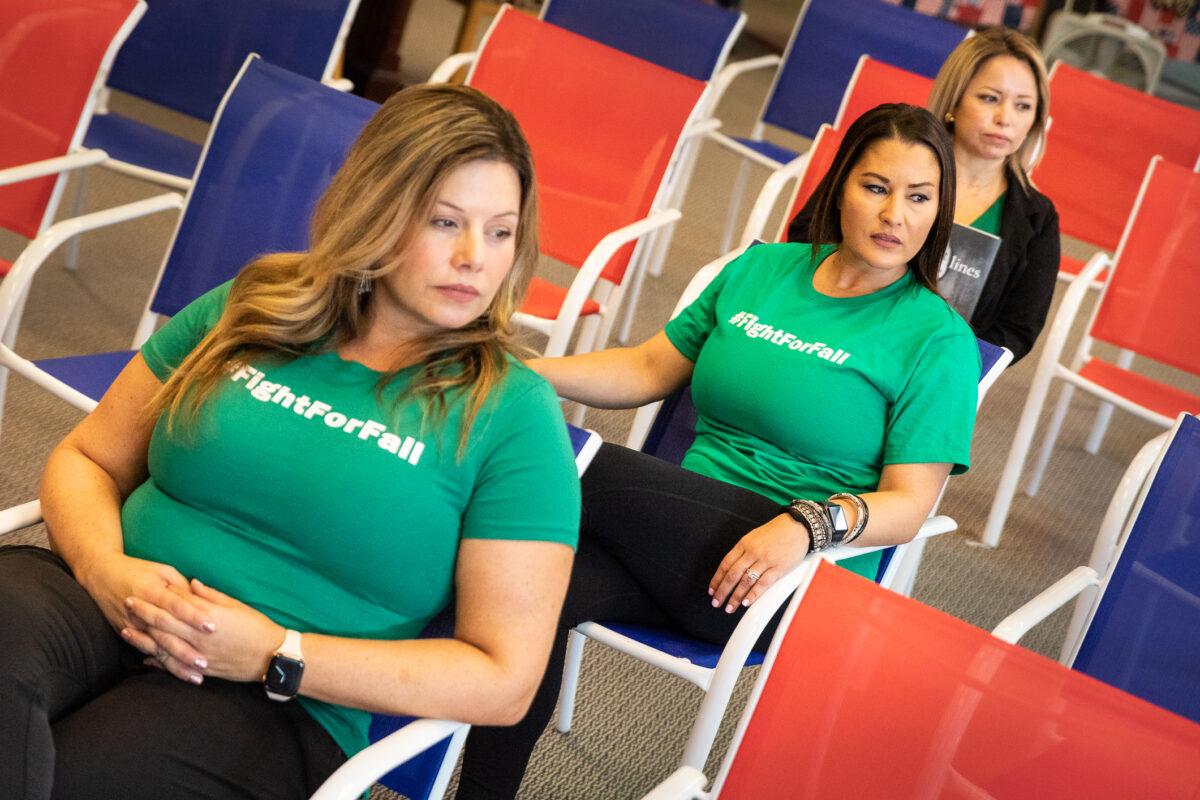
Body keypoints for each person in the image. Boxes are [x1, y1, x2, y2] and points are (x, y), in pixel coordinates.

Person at [0, 84, 581, 800]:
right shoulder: (257, 304)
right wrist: (104, 570)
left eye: (501, 231)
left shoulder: (512, 414)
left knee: (81, 782)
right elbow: (86, 457)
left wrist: (278, 654)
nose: (475, 258)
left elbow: (504, 680)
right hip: (100, 596)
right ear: (377, 208)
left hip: (272, 699)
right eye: (445, 222)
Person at [455, 103, 980, 799]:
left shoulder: (936, 341)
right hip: (662, 539)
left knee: (565, 475)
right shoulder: (764, 269)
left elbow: (910, 506)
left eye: (920, 197)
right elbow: (646, 369)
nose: (896, 216)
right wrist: (525, 375)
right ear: (841, 185)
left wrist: (805, 525)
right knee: (529, 597)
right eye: (877, 188)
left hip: (775, 567)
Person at [788, 27, 1059, 363]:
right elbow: (805, 237)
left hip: (936, 364)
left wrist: (944, 363)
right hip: (830, 332)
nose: (1006, 119)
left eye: (1023, 106)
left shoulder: (1038, 218)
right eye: (990, 98)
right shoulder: (889, 154)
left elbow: (1018, 330)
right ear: (954, 101)